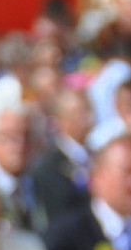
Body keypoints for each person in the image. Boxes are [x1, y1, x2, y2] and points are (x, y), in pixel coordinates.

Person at [29, 87, 93, 234]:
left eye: (88, 110)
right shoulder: (48, 166)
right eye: (78, 113)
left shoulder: (97, 156)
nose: (87, 118)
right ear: (60, 120)